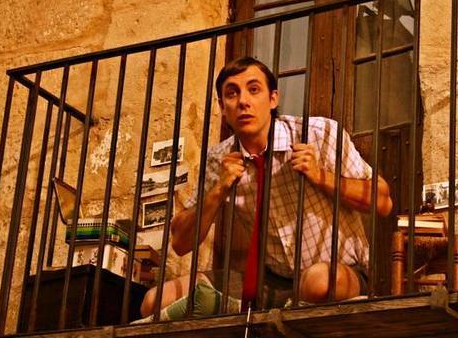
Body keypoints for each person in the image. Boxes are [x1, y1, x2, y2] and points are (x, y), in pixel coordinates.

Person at [140, 57, 392, 316]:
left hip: (340, 272)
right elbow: (180, 243)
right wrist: (219, 189)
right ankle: (260, 308)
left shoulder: (319, 133)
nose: (243, 101)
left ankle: (253, 311)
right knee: (154, 301)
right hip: (271, 282)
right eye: (232, 93)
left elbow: (383, 202)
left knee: (318, 282)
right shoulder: (219, 159)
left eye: (253, 89)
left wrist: (320, 176)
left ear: (273, 99)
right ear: (222, 107)